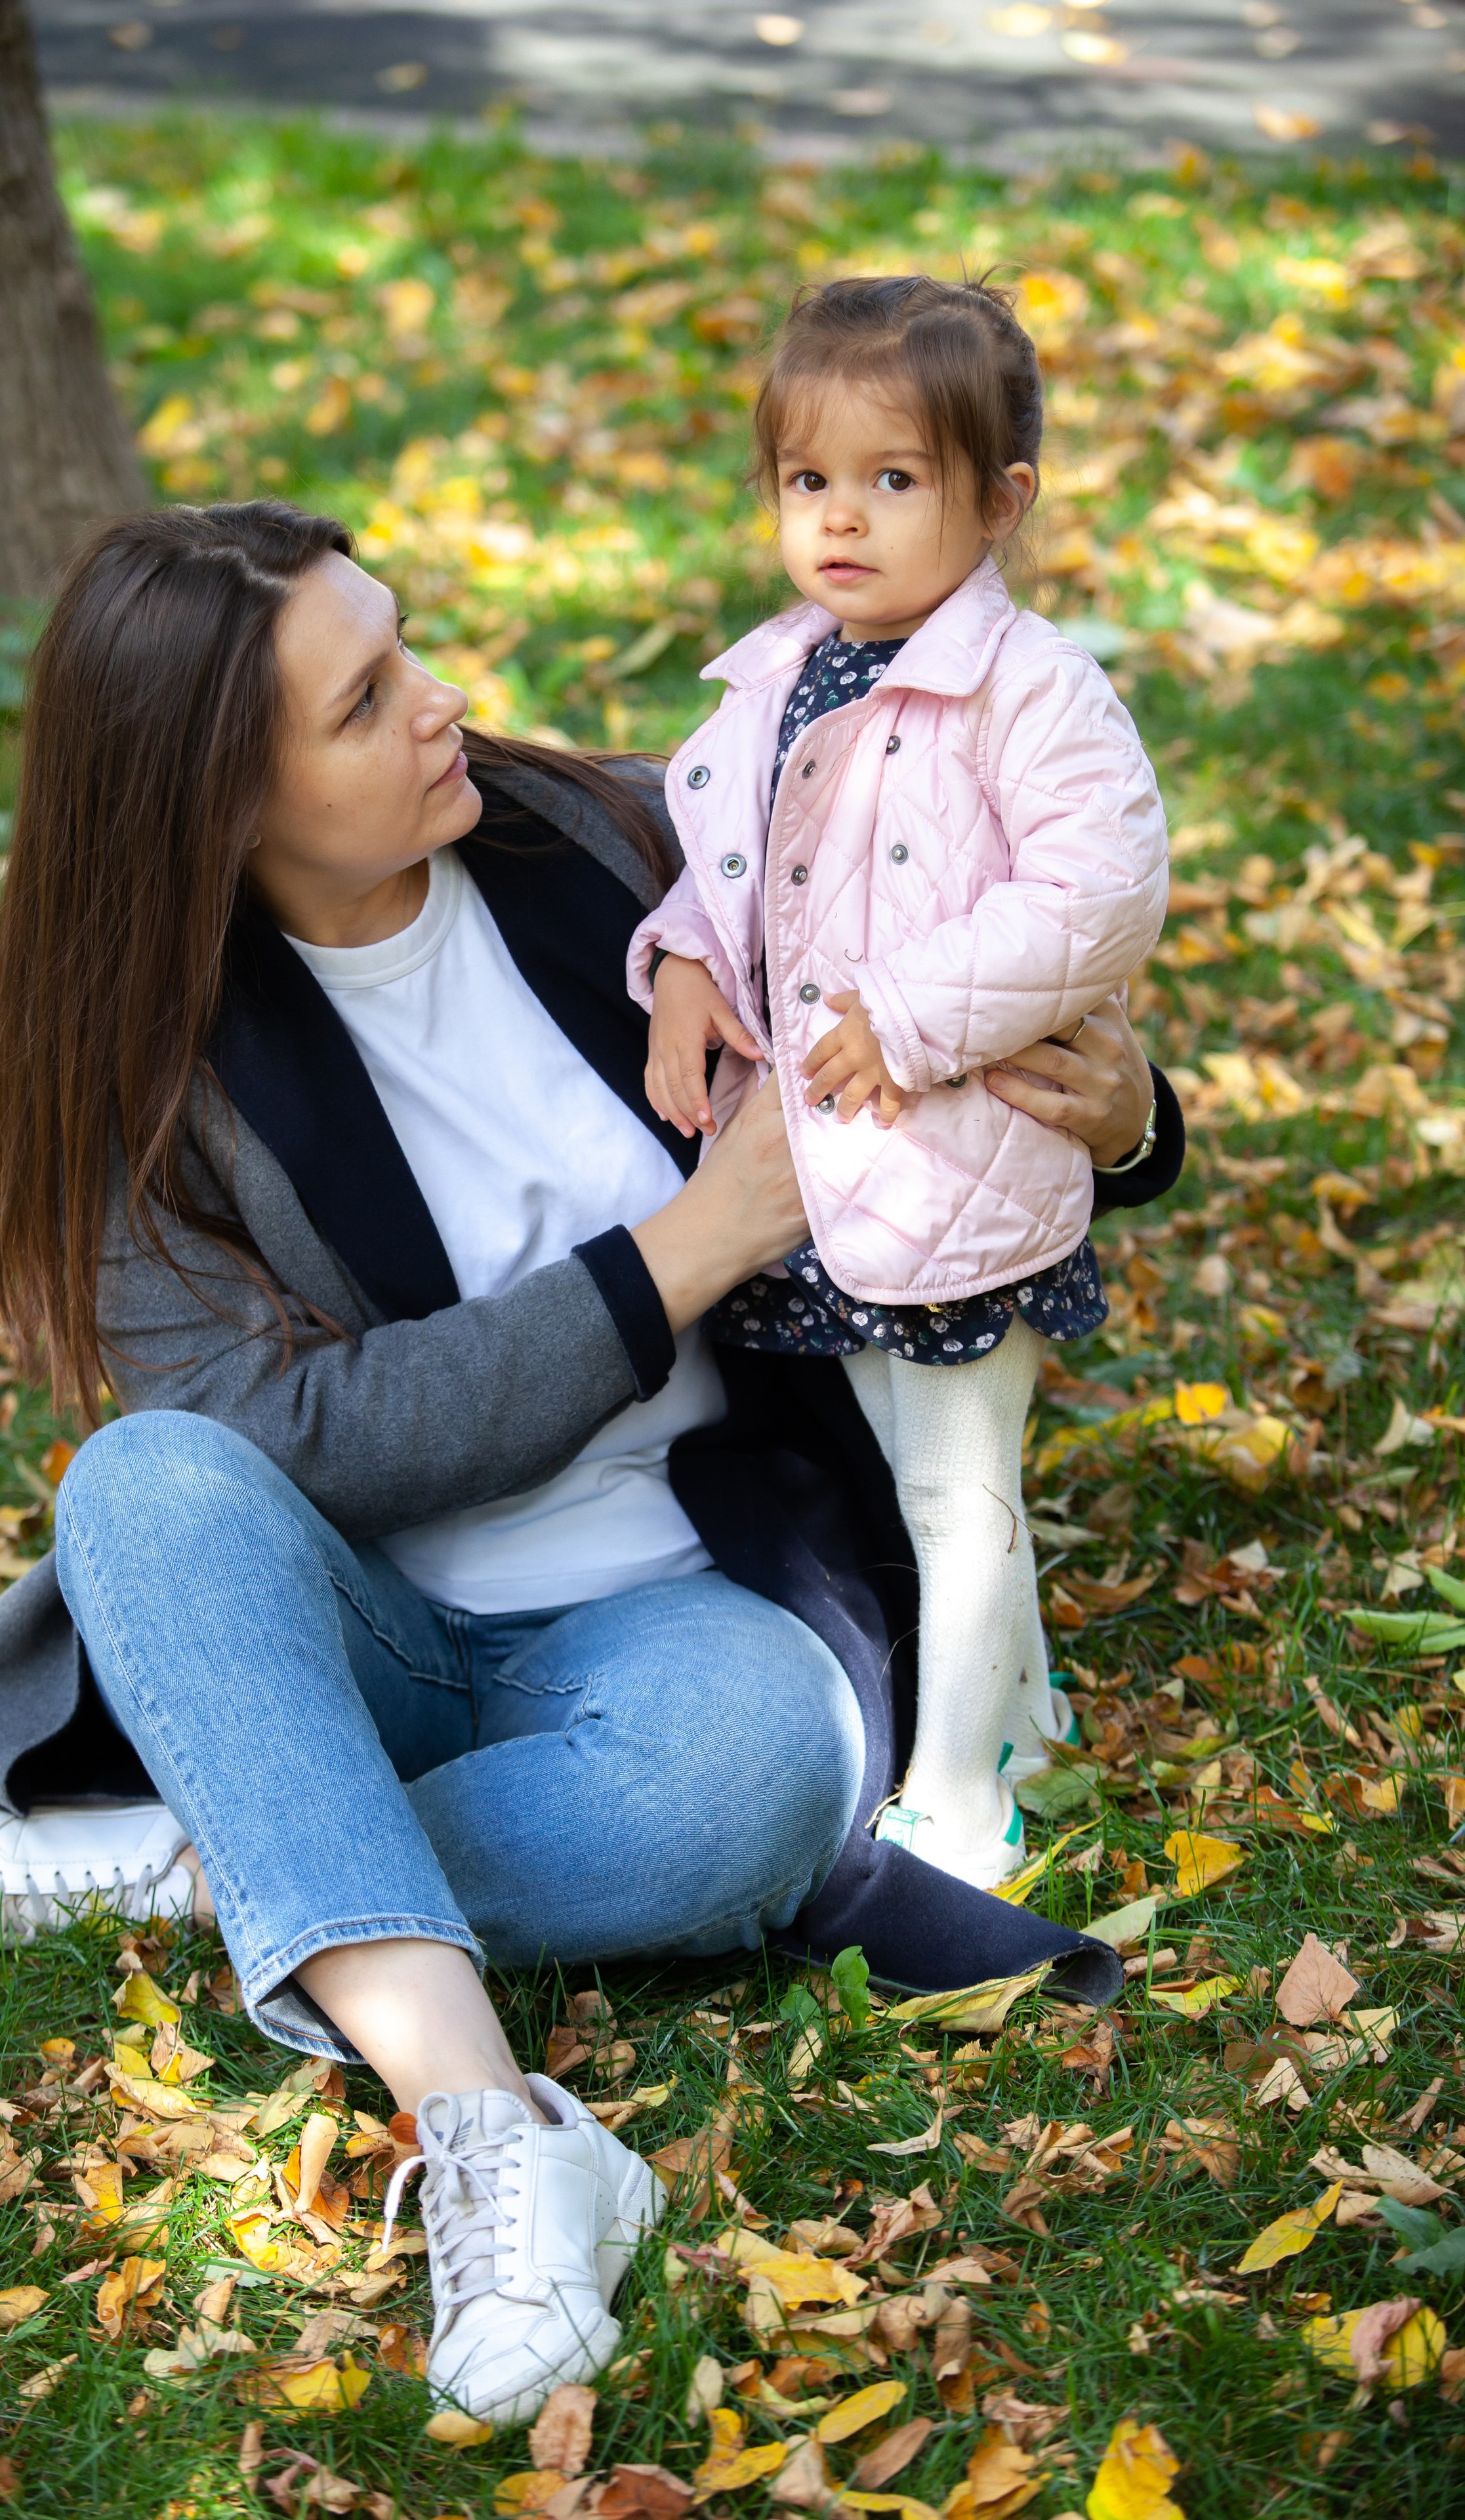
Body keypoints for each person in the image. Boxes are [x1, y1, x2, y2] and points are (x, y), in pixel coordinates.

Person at [0, 501, 1178, 2419]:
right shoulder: (149, 1076)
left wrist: (1130, 1107)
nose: (441, 705)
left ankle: (205, 1867)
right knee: (145, 1483)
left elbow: (971, 970)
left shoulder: (624, 845)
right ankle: (501, 2137)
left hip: (684, 1621)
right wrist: (683, 1251)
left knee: (750, 1780)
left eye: (408, 645)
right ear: (218, 804)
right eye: (365, 703)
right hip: (364, 1638)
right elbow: (288, 1444)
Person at [632, 276, 1170, 1891]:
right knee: (904, 1470)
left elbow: (1095, 892)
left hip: (950, 1165)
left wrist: (916, 1010)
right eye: (809, 481)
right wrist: (674, 967)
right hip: (828, 1175)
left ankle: (965, 1797)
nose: (841, 520)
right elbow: (731, 881)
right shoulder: (775, 681)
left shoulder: (1031, 690)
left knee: (955, 1487)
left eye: (893, 479)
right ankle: (1025, 1721)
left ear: (999, 501)